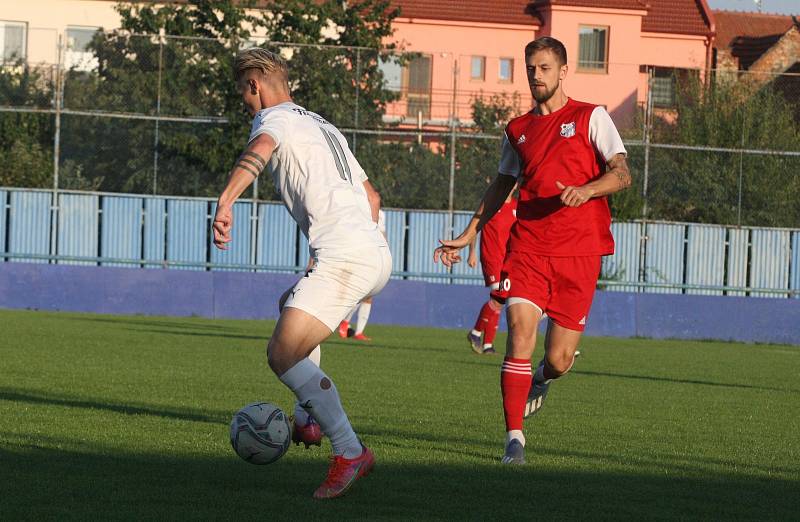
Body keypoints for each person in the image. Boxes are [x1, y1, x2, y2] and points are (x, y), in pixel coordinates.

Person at [434, 36, 631, 465]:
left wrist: (587, 189)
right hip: (529, 248)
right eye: (530, 68)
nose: (535, 76)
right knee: (519, 328)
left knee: (559, 359)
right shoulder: (517, 130)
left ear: (563, 72)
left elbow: (622, 174)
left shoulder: (590, 117)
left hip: (579, 254)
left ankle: (543, 378)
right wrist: (470, 231)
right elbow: (502, 184)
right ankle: (514, 443)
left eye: (544, 68)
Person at [212, 48, 391, 498]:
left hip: (347, 254)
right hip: (373, 251)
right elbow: (372, 198)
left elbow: (258, 151)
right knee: (288, 307)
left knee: (281, 353)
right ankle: (308, 417)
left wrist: (226, 201)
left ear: (255, 84)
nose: (245, 103)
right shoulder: (322, 124)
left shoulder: (274, 120)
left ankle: (350, 451)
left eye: (243, 93)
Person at [466, 192, 517, 355]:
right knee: (499, 298)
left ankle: (487, 344)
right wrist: (472, 252)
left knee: (498, 302)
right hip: (491, 257)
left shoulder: (517, 206)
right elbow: (475, 226)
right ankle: (476, 334)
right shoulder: (493, 203)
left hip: (507, 260)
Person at [338, 209, 387, 342]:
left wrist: (385, 256)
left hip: (375, 258)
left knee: (368, 296)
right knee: (361, 293)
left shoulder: (381, 214)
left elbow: (382, 235)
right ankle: (344, 321)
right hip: (361, 256)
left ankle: (358, 331)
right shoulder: (357, 208)